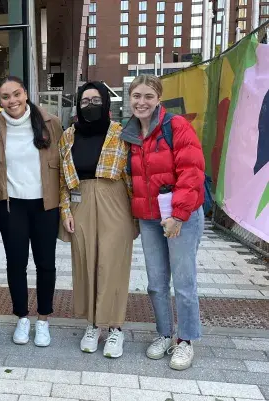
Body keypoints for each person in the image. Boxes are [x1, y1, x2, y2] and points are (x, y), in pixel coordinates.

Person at [120, 74, 205, 370]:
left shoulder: (176, 126)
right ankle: (164, 333)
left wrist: (178, 215)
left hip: (181, 215)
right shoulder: (130, 133)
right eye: (136, 96)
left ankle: (186, 340)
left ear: (158, 99)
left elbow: (192, 171)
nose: (141, 102)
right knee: (156, 283)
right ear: (129, 99)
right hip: (149, 218)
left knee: (183, 282)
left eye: (148, 96)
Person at [59, 81, 135, 358]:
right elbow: (62, 178)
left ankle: (114, 327)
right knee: (86, 263)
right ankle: (92, 324)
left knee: (112, 264)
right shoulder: (68, 135)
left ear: (106, 102)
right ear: (78, 104)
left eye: (96, 100)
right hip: (80, 201)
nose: (90, 105)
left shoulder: (121, 133)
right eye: (85, 101)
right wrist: (65, 211)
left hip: (114, 199)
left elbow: (132, 174)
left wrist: (137, 213)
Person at [0, 76, 62, 347]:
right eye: (6, 96)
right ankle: (22, 317)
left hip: (45, 205)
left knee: (46, 264)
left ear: (26, 94)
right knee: (16, 264)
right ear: (0, 101)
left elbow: (64, 164)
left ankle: (43, 320)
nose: (12, 101)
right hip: (13, 205)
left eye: (16, 94)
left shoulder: (50, 123)